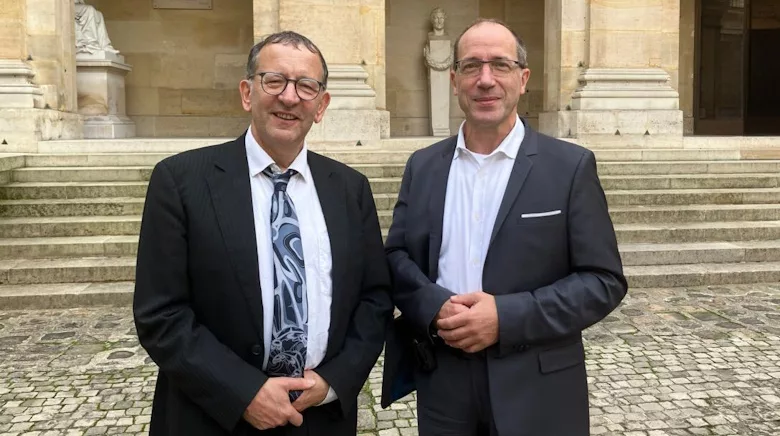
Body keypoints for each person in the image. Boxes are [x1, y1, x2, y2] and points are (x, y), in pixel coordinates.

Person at [134, 30, 392, 436]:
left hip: (319, 417)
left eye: (306, 86)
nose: (289, 97)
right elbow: (161, 314)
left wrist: (333, 381)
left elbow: (374, 299)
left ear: (321, 105)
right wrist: (243, 393)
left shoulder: (349, 188)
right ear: (247, 92)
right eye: (274, 81)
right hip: (211, 417)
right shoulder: (181, 181)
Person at [381, 19, 627, 436]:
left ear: (523, 78)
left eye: (500, 65)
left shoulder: (569, 168)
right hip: (443, 381)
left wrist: (506, 317)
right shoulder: (422, 166)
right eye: (473, 66)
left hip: (537, 384)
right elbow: (397, 258)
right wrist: (434, 303)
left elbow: (603, 281)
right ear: (454, 78)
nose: (486, 80)